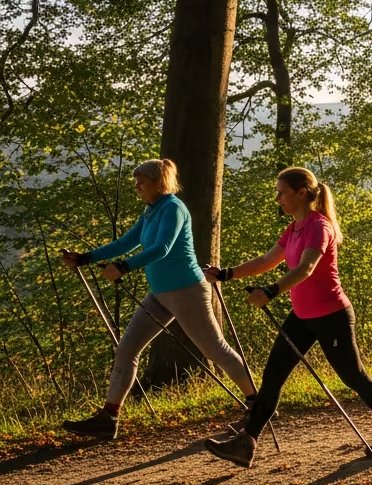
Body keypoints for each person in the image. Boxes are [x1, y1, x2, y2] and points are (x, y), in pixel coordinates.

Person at [204, 167, 372, 468]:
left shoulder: (318, 226)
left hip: (332, 316)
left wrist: (271, 292)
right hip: (301, 316)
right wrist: (226, 274)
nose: (278, 199)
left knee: (353, 376)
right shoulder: (294, 228)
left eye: (282, 192)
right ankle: (246, 443)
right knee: (272, 376)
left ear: (301, 192)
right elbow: (265, 261)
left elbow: (306, 269)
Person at [58, 159, 257, 440]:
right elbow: (125, 243)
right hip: (161, 293)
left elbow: (161, 249)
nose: (137, 186)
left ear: (158, 182)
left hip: (187, 289)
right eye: (136, 180)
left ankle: (256, 404)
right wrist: (86, 258)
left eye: (142, 181)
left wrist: (124, 267)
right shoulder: (151, 211)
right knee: (127, 349)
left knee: (215, 349)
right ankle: (109, 418)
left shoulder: (173, 208)